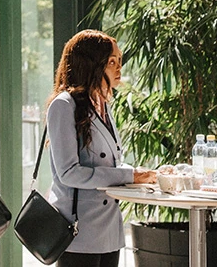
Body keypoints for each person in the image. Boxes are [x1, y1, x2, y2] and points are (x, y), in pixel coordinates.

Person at [45, 29, 157, 267]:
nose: (119, 69)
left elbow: (110, 165)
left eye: (119, 60)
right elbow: (68, 173)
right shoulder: (63, 106)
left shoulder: (103, 105)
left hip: (107, 231)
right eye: (111, 62)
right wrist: (130, 176)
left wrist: (142, 174)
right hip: (78, 231)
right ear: (91, 65)